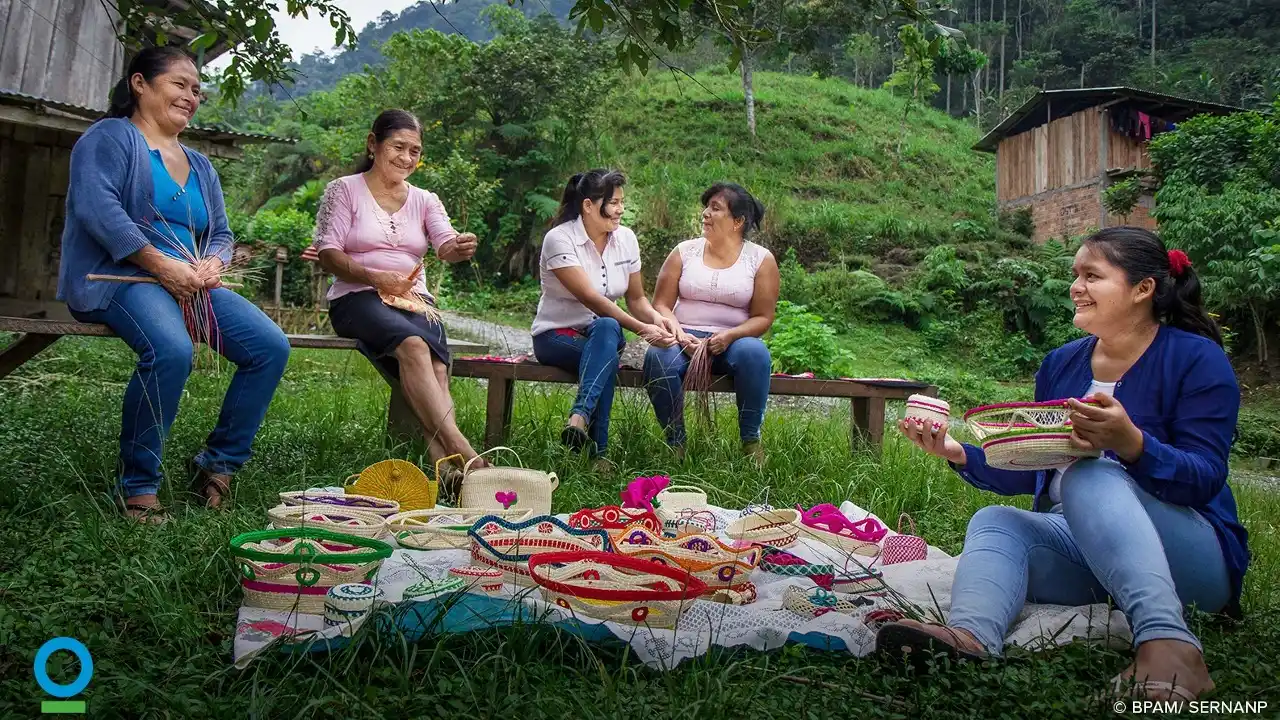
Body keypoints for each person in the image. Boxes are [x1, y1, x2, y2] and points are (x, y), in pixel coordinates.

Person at [879, 227, 1249, 703]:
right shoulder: (1061, 364)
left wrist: (1133, 444)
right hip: (1093, 552)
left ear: (1143, 289)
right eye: (1075, 274)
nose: (1075, 286)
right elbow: (1041, 467)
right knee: (996, 522)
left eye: (1091, 275)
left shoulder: (1197, 359)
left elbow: (1204, 479)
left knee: (1090, 471)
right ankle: (969, 639)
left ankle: (1171, 646)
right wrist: (956, 452)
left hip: (1192, 559)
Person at [57, 47, 291, 524]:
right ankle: (138, 486)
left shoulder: (201, 165)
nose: (191, 96)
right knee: (172, 350)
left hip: (190, 282)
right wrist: (159, 264)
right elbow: (99, 209)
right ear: (140, 83)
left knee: (270, 346)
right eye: (180, 84)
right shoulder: (110, 138)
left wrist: (214, 262)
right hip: (122, 277)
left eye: (197, 90)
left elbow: (221, 234)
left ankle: (217, 462)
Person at [312, 109, 484, 479]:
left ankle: (447, 471)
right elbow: (328, 254)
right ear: (373, 144)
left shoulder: (425, 199)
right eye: (398, 147)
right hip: (356, 297)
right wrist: (376, 278)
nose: (407, 158)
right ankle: (465, 452)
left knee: (438, 366)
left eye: (415, 151)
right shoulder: (345, 190)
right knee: (415, 346)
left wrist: (460, 246)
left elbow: (445, 245)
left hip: (413, 300)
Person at [531, 169, 677, 470]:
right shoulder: (559, 239)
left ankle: (579, 419)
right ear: (588, 205)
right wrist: (641, 329)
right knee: (605, 350)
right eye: (613, 202)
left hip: (603, 333)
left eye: (622, 202)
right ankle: (599, 454)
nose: (620, 209)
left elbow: (636, 298)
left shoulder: (626, 239)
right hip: (556, 336)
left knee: (607, 331)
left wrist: (656, 320)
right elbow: (591, 298)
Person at [643, 183, 779, 462]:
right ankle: (676, 443)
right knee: (658, 357)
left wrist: (728, 337)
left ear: (737, 222)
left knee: (756, 354)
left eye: (715, 208)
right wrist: (678, 333)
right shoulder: (684, 251)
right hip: (684, 337)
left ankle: (750, 440)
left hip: (734, 341)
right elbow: (661, 305)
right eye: (706, 207)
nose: (705, 213)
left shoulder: (761, 260)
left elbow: (763, 318)